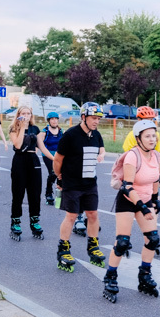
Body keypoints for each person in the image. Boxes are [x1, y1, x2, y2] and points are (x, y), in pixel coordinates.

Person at [103, 120, 160, 303]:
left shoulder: (157, 156)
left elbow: (155, 179)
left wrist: (155, 198)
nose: (152, 139)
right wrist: (143, 208)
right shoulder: (132, 157)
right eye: (147, 136)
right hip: (128, 200)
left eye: (154, 135)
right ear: (138, 139)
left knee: (153, 240)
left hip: (145, 199)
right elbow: (127, 187)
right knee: (122, 242)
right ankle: (110, 277)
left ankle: (144, 274)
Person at [53, 102, 106, 272]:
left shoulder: (96, 135)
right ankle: (64, 249)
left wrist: (102, 155)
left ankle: (93, 246)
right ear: (83, 117)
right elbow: (57, 159)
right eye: (93, 118)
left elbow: (102, 149)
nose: (96, 121)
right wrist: (59, 176)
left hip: (90, 182)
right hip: (72, 183)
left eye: (98, 118)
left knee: (92, 214)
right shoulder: (70, 135)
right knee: (71, 216)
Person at [8, 106, 54, 240]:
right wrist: (22, 127)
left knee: (35, 194)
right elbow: (17, 145)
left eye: (28, 113)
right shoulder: (14, 128)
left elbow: (42, 147)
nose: (26, 116)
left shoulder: (35, 129)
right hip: (20, 161)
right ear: (19, 115)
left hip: (33, 161)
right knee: (18, 193)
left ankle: (35, 222)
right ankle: (15, 223)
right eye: (23, 113)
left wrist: (56, 159)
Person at [121, 105, 160, 186]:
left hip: (151, 169)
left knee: (154, 195)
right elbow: (127, 155)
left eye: (151, 120)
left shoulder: (156, 134)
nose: (149, 123)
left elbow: (158, 155)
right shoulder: (132, 135)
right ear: (139, 120)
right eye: (146, 120)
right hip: (137, 169)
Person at [37, 112, 63, 206]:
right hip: (48, 156)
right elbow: (39, 144)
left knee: (60, 175)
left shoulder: (61, 131)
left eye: (56, 119)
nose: (54, 120)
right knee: (53, 173)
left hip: (59, 156)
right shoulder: (45, 132)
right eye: (52, 119)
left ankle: (59, 198)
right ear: (49, 121)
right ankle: (48, 193)